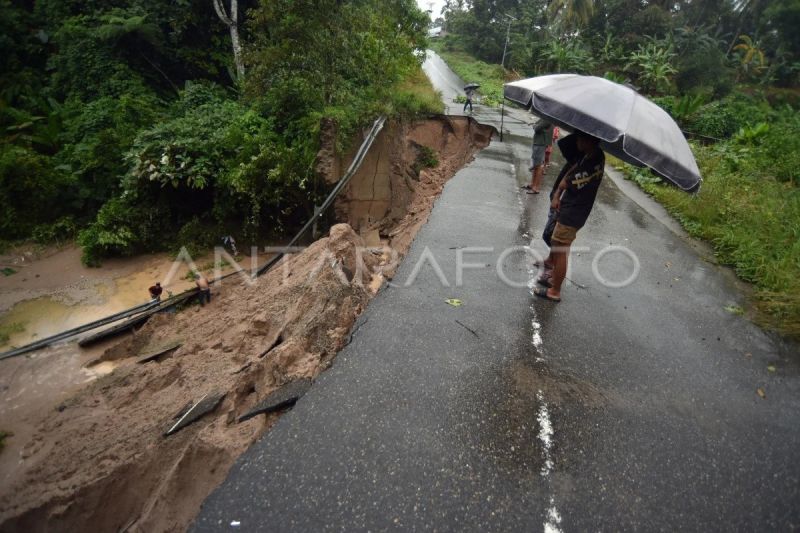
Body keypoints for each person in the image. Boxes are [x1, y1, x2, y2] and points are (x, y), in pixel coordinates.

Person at [534, 131, 605, 303]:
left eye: (580, 138)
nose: (576, 141)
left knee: (561, 249)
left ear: (589, 140)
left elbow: (568, 181)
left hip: (574, 212)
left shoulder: (593, 161)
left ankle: (555, 290)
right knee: (558, 246)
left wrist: (559, 192)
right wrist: (559, 192)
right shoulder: (590, 155)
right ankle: (553, 279)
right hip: (571, 209)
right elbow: (573, 168)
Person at [523, 119, 554, 194]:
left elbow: (537, 128)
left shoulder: (548, 117)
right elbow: (538, 124)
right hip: (540, 142)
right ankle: (532, 184)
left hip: (541, 142)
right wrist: (534, 123)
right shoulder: (545, 116)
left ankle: (535, 188)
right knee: (536, 164)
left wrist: (534, 125)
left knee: (538, 165)